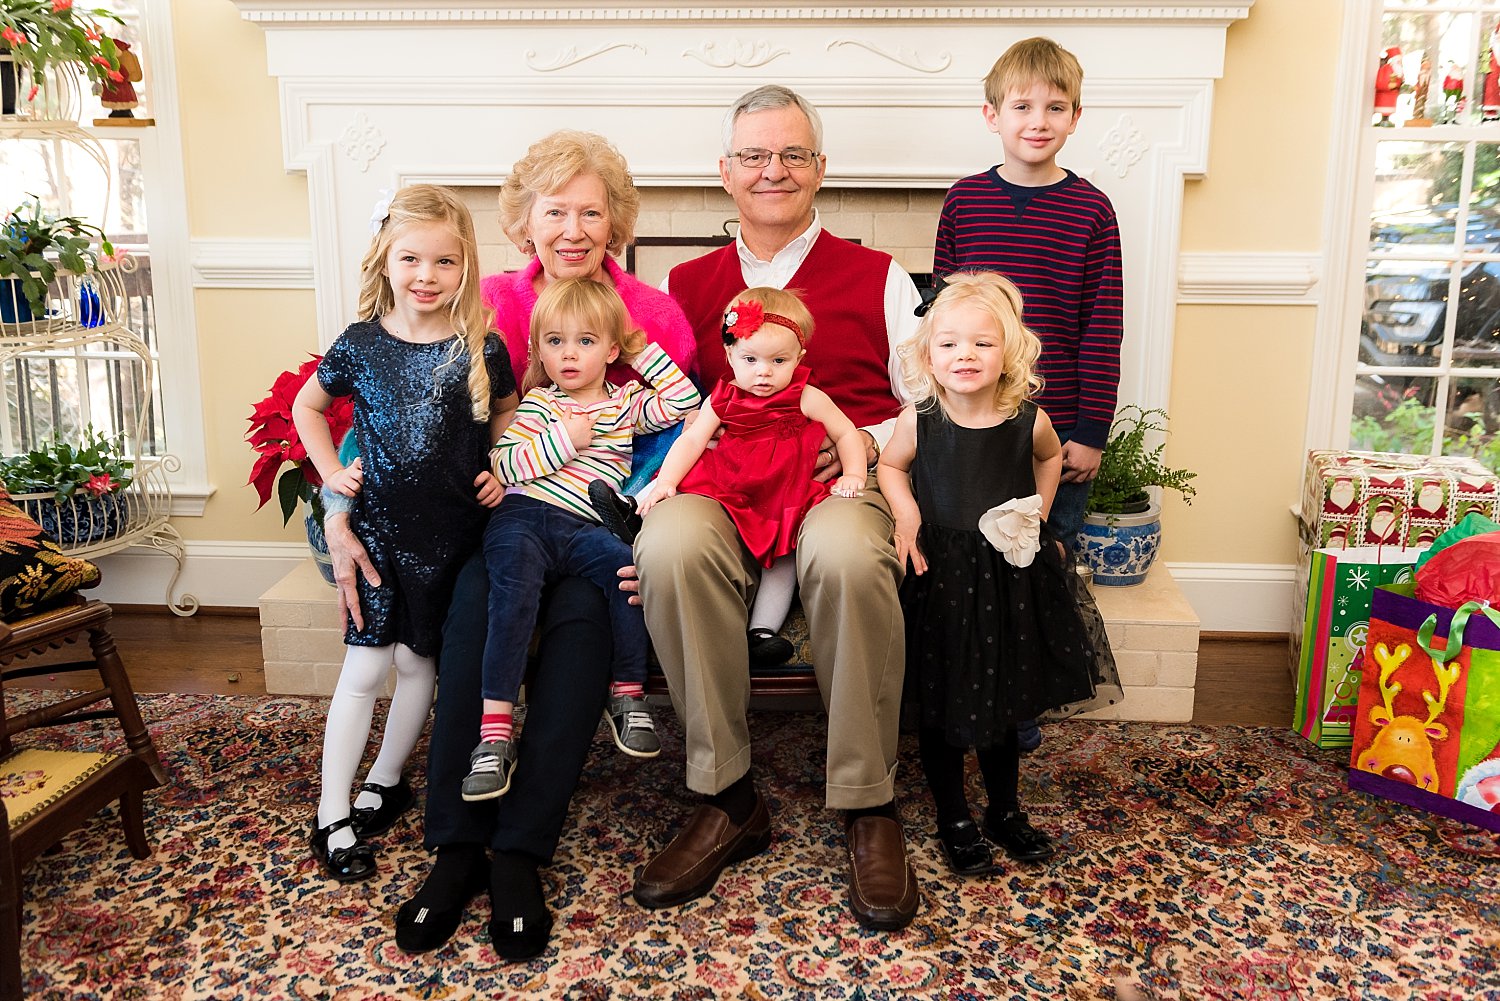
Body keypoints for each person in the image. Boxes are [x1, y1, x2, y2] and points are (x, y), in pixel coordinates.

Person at [319, 132, 697, 960]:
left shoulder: (651, 313)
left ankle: (522, 850)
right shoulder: (479, 300)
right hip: (504, 523)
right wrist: (335, 509)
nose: (573, 227)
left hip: (601, 522)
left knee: (582, 634)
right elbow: (388, 418)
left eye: (592, 211)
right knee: (475, 613)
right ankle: (457, 848)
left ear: (617, 222)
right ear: (524, 220)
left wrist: (643, 529)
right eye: (554, 209)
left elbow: (678, 436)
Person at [629, 84, 924, 931]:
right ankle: (727, 795)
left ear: (821, 169)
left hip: (837, 478)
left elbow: (931, 394)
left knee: (846, 554)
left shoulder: (880, 277)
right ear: (725, 173)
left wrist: (861, 437)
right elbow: (659, 412)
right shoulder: (684, 286)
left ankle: (868, 801)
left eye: (793, 154)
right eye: (754, 155)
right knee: (672, 542)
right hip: (729, 480)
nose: (774, 171)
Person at [292, 184, 517, 883]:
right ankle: (331, 813)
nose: (426, 275)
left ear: (465, 267)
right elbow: (308, 404)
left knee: (421, 663)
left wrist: (502, 467)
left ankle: (386, 781)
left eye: (444, 262)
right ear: (385, 260)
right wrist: (333, 471)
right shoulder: (360, 343)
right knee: (365, 668)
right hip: (381, 532)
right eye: (411, 258)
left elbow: (507, 409)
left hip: (454, 536)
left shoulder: (480, 345)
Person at [877, 272, 1120, 875]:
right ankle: (953, 813)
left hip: (1009, 576)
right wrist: (906, 516)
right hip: (944, 580)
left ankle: (1005, 810)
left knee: (1005, 701)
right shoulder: (920, 419)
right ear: (927, 354)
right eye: (950, 343)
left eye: (983, 344)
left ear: (1009, 352)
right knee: (943, 703)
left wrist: (1034, 512)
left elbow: (1049, 460)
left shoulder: (1027, 419)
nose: (966, 355)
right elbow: (890, 466)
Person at [932, 36, 1124, 752]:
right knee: (966, 561)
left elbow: (1103, 325)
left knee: (1036, 561)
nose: (1037, 119)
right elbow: (942, 318)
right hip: (970, 423)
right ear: (992, 114)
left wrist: (1091, 431)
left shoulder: (1091, 211)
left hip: (1053, 427)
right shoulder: (964, 200)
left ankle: (1022, 699)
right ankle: (958, 684)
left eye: (1055, 106)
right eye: (1022, 105)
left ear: (1076, 116)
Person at [461, 277, 700, 802]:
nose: (569, 355)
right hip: (524, 517)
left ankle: (628, 696)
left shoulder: (626, 404)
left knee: (629, 575)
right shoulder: (539, 404)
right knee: (512, 602)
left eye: (586, 341)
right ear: (539, 350)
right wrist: (565, 441)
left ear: (611, 349)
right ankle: (495, 735)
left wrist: (638, 346)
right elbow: (504, 464)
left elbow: (685, 402)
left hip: (588, 525)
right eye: (555, 341)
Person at [639, 288, 866, 665]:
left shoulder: (805, 396)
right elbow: (693, 438)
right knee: (680, 482)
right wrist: (667, 482)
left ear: (799, 358)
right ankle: (637, 507)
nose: (764, 371)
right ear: (729, 355)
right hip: (732, 482)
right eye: (750, 359)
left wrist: (854, 473)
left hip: (784, 491)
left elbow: (845, 432)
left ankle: (761, 632)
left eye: (778, 360)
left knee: (784, 556)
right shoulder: (723, 397)